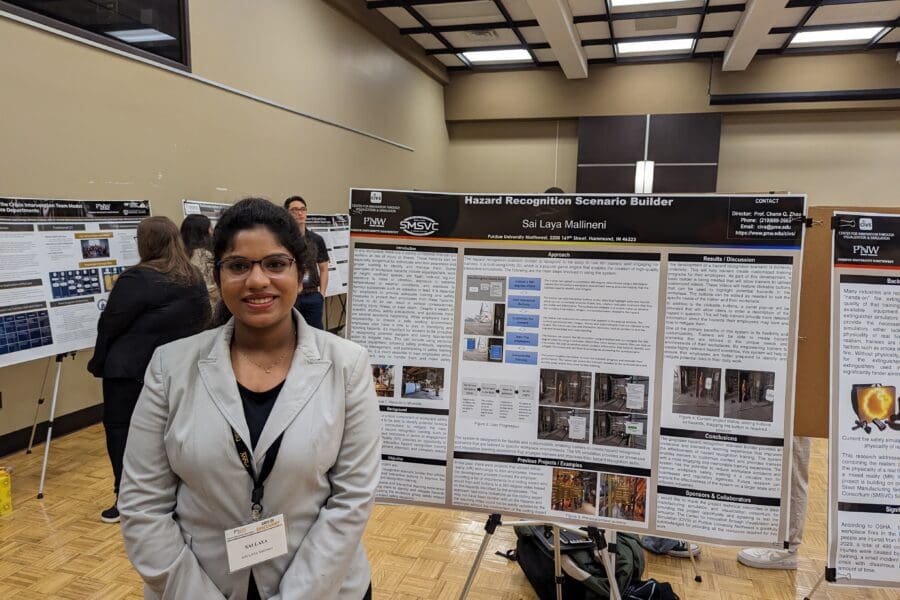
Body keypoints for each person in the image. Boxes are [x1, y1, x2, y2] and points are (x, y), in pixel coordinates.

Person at [118, 198, 380, 600]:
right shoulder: (171, 367)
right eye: (239, 266)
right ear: (219, 273)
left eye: (275, 263)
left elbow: (351, 500)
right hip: (199, 585)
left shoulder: (347, 365)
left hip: (322, 587)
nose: (257, 280)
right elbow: (142, 504)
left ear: (299, 270)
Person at [87, 216, 209, 523]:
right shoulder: (192, 277)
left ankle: (125, 499)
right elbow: (202, 320)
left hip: (129, 372)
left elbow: (109, 325)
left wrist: (99, 363)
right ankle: (171, 496)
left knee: (122, 433)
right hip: (174, 370)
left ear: (146, 242)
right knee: (169, 434)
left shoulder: (136, 279)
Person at [284, 196, 330, 329]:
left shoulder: (316, 240)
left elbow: (324, 268)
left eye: (303, 209)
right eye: (294, 210)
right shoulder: (283, 241)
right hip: (290, 297)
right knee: (290, 332)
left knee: (316, 334)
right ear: (287, 213)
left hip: (312, 296)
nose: (299, 213)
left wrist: (321, 294)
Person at [180, 213, 220, 307]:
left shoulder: (181, 254)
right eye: (210, 229)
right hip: (208, 306)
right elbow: (209, 287)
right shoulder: (203, 254)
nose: (212, 232)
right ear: (203, 232)